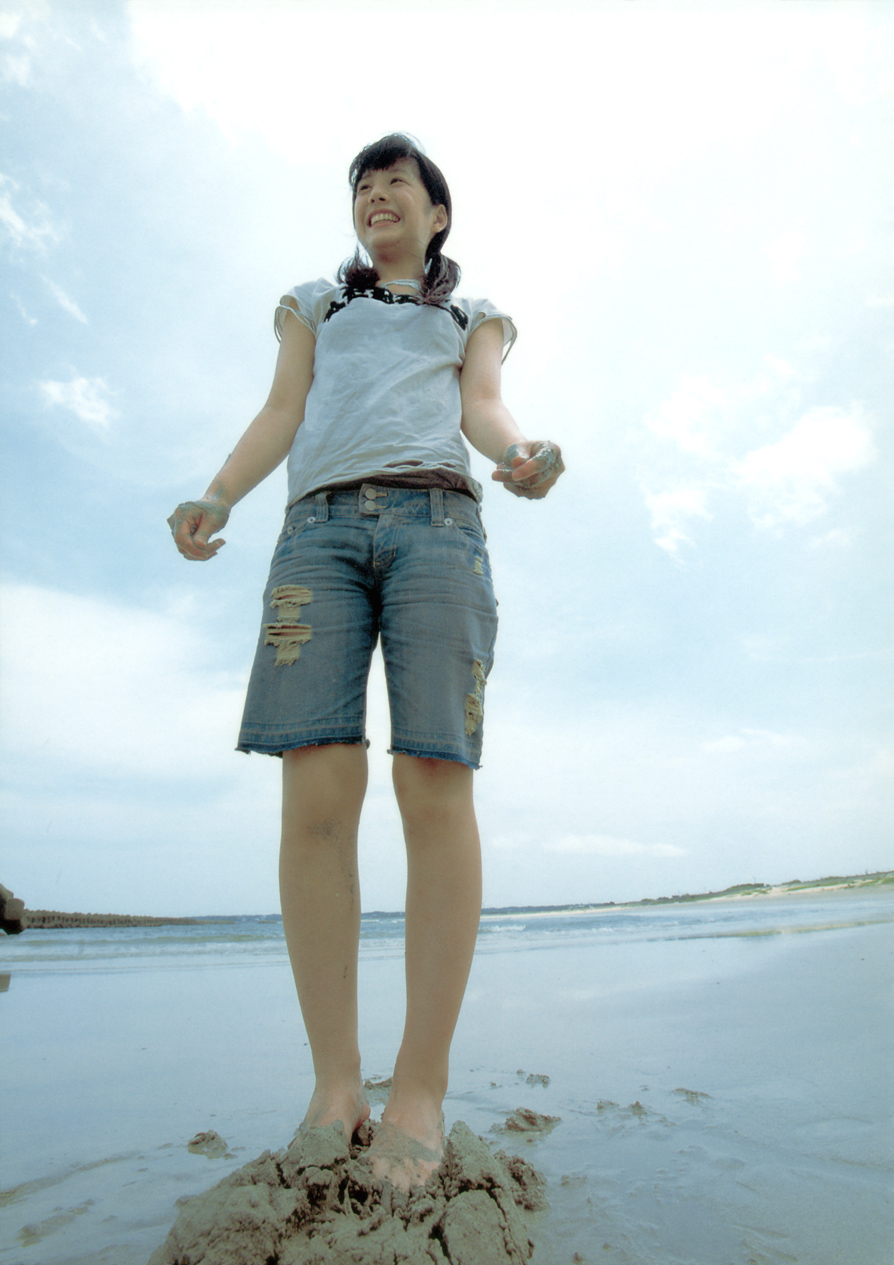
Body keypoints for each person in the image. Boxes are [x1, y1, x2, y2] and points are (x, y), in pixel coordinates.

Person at [168, 134, 564, 1191]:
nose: (376, 193)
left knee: (433, 779)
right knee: (316, 791)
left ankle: (419, 1088)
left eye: (398, 182)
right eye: (362, 184)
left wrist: (519, 453)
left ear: (438, 213)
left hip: (440, 526)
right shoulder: (316, 303)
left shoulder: (471, 316)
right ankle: (335, 1086)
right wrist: (218, 493)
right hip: (317, 535)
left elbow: (482, 408)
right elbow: (282, 411)